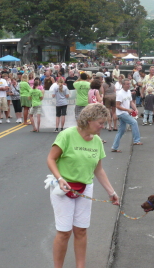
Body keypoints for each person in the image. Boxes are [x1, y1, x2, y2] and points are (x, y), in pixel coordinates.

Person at [46, 103, 119, 268]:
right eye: (100, 122)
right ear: (88, 120)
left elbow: (98, 169)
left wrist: (111, 192)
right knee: (64, 232)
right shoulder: (67, 135)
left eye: (104, 122)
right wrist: (59, 178)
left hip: (85, 188)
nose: (103, 126)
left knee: (81, 230)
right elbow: (51, 159)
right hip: (63, 188)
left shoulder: (97, 141)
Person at [111, 79, 143, 152]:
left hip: (125, 112)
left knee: (121, 131)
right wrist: (127, 110)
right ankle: (136, 140)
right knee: (134, 122)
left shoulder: (128, 92)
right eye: (127, 84)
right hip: (121, 113)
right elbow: (117, 106)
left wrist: (135, 109)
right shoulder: (120, 94)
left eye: (129, 84)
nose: (129, 85)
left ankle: (114, 147)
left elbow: (131, 102)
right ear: (123, 85)